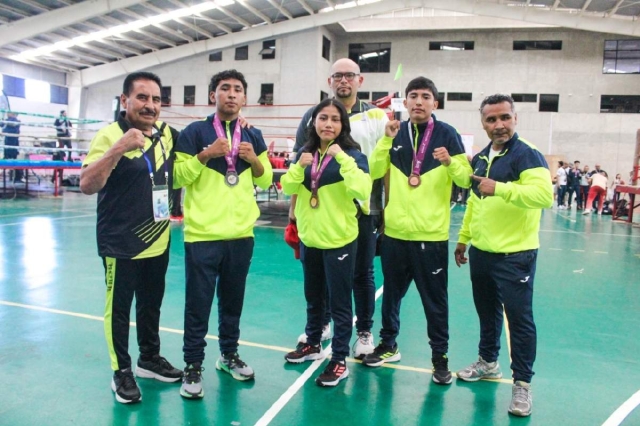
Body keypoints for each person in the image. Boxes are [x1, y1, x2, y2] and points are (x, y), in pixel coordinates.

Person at [80, 71, 183, 404]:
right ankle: (121, 371)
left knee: (151, 305)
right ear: (124, 101)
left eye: (155, 99)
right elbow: (87, 184)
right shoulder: (109, 135)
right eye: (142, 97)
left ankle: (148, 358)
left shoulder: (167, 135)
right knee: (119, 311)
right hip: (120, 242)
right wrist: (118, 150)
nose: (150, 105)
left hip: (158, 238)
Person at [362, 77, 471, 386]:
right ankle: (388, 344)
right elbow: (372, 171)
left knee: (434, 302)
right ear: (405, 102)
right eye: (413, 96)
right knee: (392, 296)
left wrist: (450, 162)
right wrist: (385, 140)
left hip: (430, 237)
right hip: (395, 234)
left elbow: (464, 180)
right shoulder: (395, 133)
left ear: (434, 103)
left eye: (425, 97)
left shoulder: (447, 134)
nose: (419, 101)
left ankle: (440, 358)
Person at [174, 69, 273, 399]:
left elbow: (264, 178)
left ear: (244, 98)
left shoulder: (252, 135)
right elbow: (177, 177)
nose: (231, 94)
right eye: (224, 88)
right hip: (202, 235)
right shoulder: (193, 132)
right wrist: (206, 155)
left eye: (237, 90)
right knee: (198, 306)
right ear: (212, 95)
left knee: (232, 303)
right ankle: (192, 365)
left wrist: (252, 160)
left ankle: (228, 355)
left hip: (241, 235)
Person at [454, 94, 553, 417]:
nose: (499, 125)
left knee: (520, 321)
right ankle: (488, 361)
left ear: (515, 118)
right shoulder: (481, 157)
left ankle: (522, 385)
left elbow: (543, 195)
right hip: (482, 252)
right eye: (491, 119)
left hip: (516, 256)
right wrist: (464, 239)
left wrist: (500, 188)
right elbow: (473, 202)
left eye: (504, 118)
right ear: (483, 123)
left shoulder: (528, 155)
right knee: (487, 312)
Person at [290, 58, 388, 359]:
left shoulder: (376, 116)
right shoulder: (312, 115)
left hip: (364, 209)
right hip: (322, 211)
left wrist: (385, 205)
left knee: (361, 274)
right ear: (330, 81)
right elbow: (299, 163)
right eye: (337, 76)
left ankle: (364, 331)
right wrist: (293, 214)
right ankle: (320, 326)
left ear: (360, 80)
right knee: (317, 275)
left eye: (349, 75)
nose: (343, 80)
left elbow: (383, 166)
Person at [282, 98, 371, 387]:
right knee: (313, 297)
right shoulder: (305, 153)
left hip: (340, 241)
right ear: (314, 122)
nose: (328, 124)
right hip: (310, 239)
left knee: (340, 302)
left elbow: (362, 189)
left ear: (342, 124)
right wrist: (298, 167)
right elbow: (287, 187)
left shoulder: (354, 155)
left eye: (334, 118)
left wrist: (342, 158)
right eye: (323, 118)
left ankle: (339, 360)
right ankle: (312, 343)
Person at [2, 112, 23, 182]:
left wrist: (4, 129)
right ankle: (16, 177)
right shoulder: (8, 121)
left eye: (9, 113)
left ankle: (17, 178)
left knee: (13, 159)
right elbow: (2, 125)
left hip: (12, 143)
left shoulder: (15, 121)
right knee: (11, 158)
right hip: (9, 143)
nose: (7, 114)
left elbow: (11, 129)